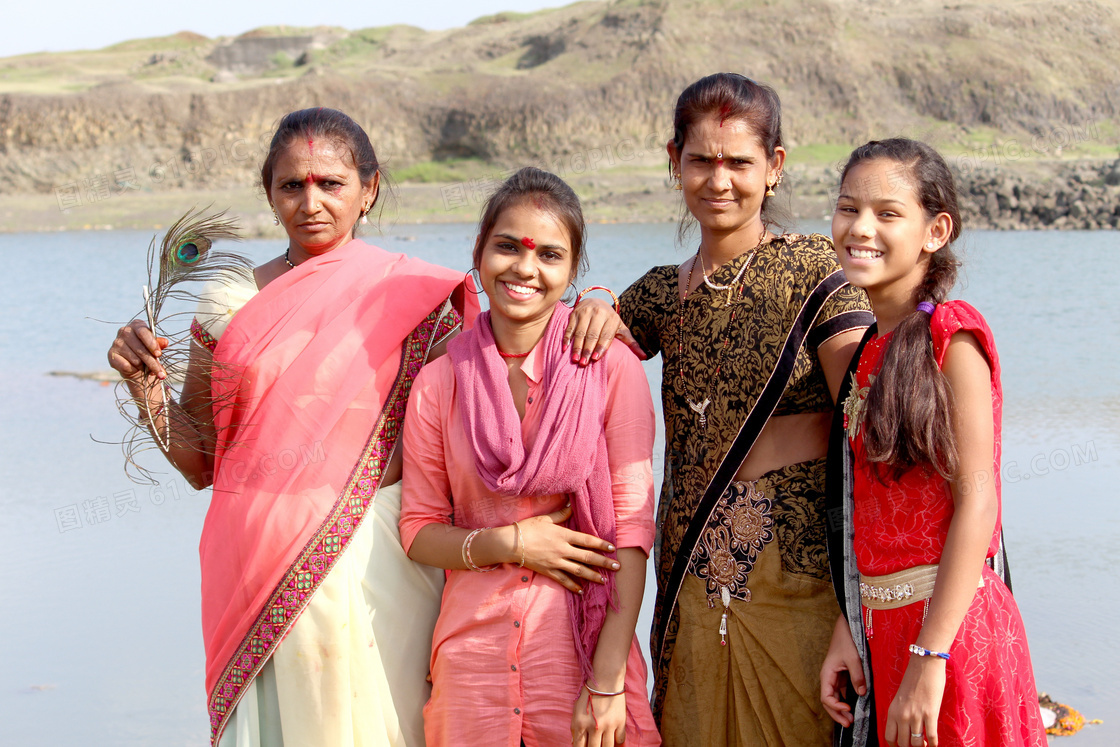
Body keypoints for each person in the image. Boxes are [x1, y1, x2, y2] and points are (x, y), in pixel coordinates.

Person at [107, 107, 483, 747]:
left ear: (369, 190)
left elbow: (479, 428)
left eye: (331, 184)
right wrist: (146, 388)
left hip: (379, 556)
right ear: (269, 192)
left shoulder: (417, 294)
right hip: (256, 555)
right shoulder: (231, 300)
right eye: (292, 185)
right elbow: (199, 463)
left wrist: (599, 307)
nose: (311, 201)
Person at [567, 73, 875, 746]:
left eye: (739, 162)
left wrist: (859, 612)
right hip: (690, 592)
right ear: (673, 160)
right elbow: (567, 361)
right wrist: (591, 296)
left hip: (798, 589)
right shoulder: (657, 296)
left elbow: (873, 418)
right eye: (701, 160)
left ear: (775, 167)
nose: (719, 179)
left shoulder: (816, 275)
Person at [398, 167, 661, 747]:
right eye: (508, 246)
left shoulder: (608, 368)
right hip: (472, 659)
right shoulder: (441, 382)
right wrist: (512, 543)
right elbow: (418, 530)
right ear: (479, 251)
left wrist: (609, 681)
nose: (525, 268)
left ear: (571, 272)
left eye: (549, 254)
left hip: (577, 655)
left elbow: (631, 532)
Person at [819, 138, 1046, 747]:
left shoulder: (952, 336)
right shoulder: (866, 352)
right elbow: (869, 510)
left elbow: (979, 504)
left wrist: (931, 656)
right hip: (884, 634)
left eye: (887, 213)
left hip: (952, 637)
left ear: (935, 230)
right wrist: (850, 622)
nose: (860, 228)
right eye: (848, 208)